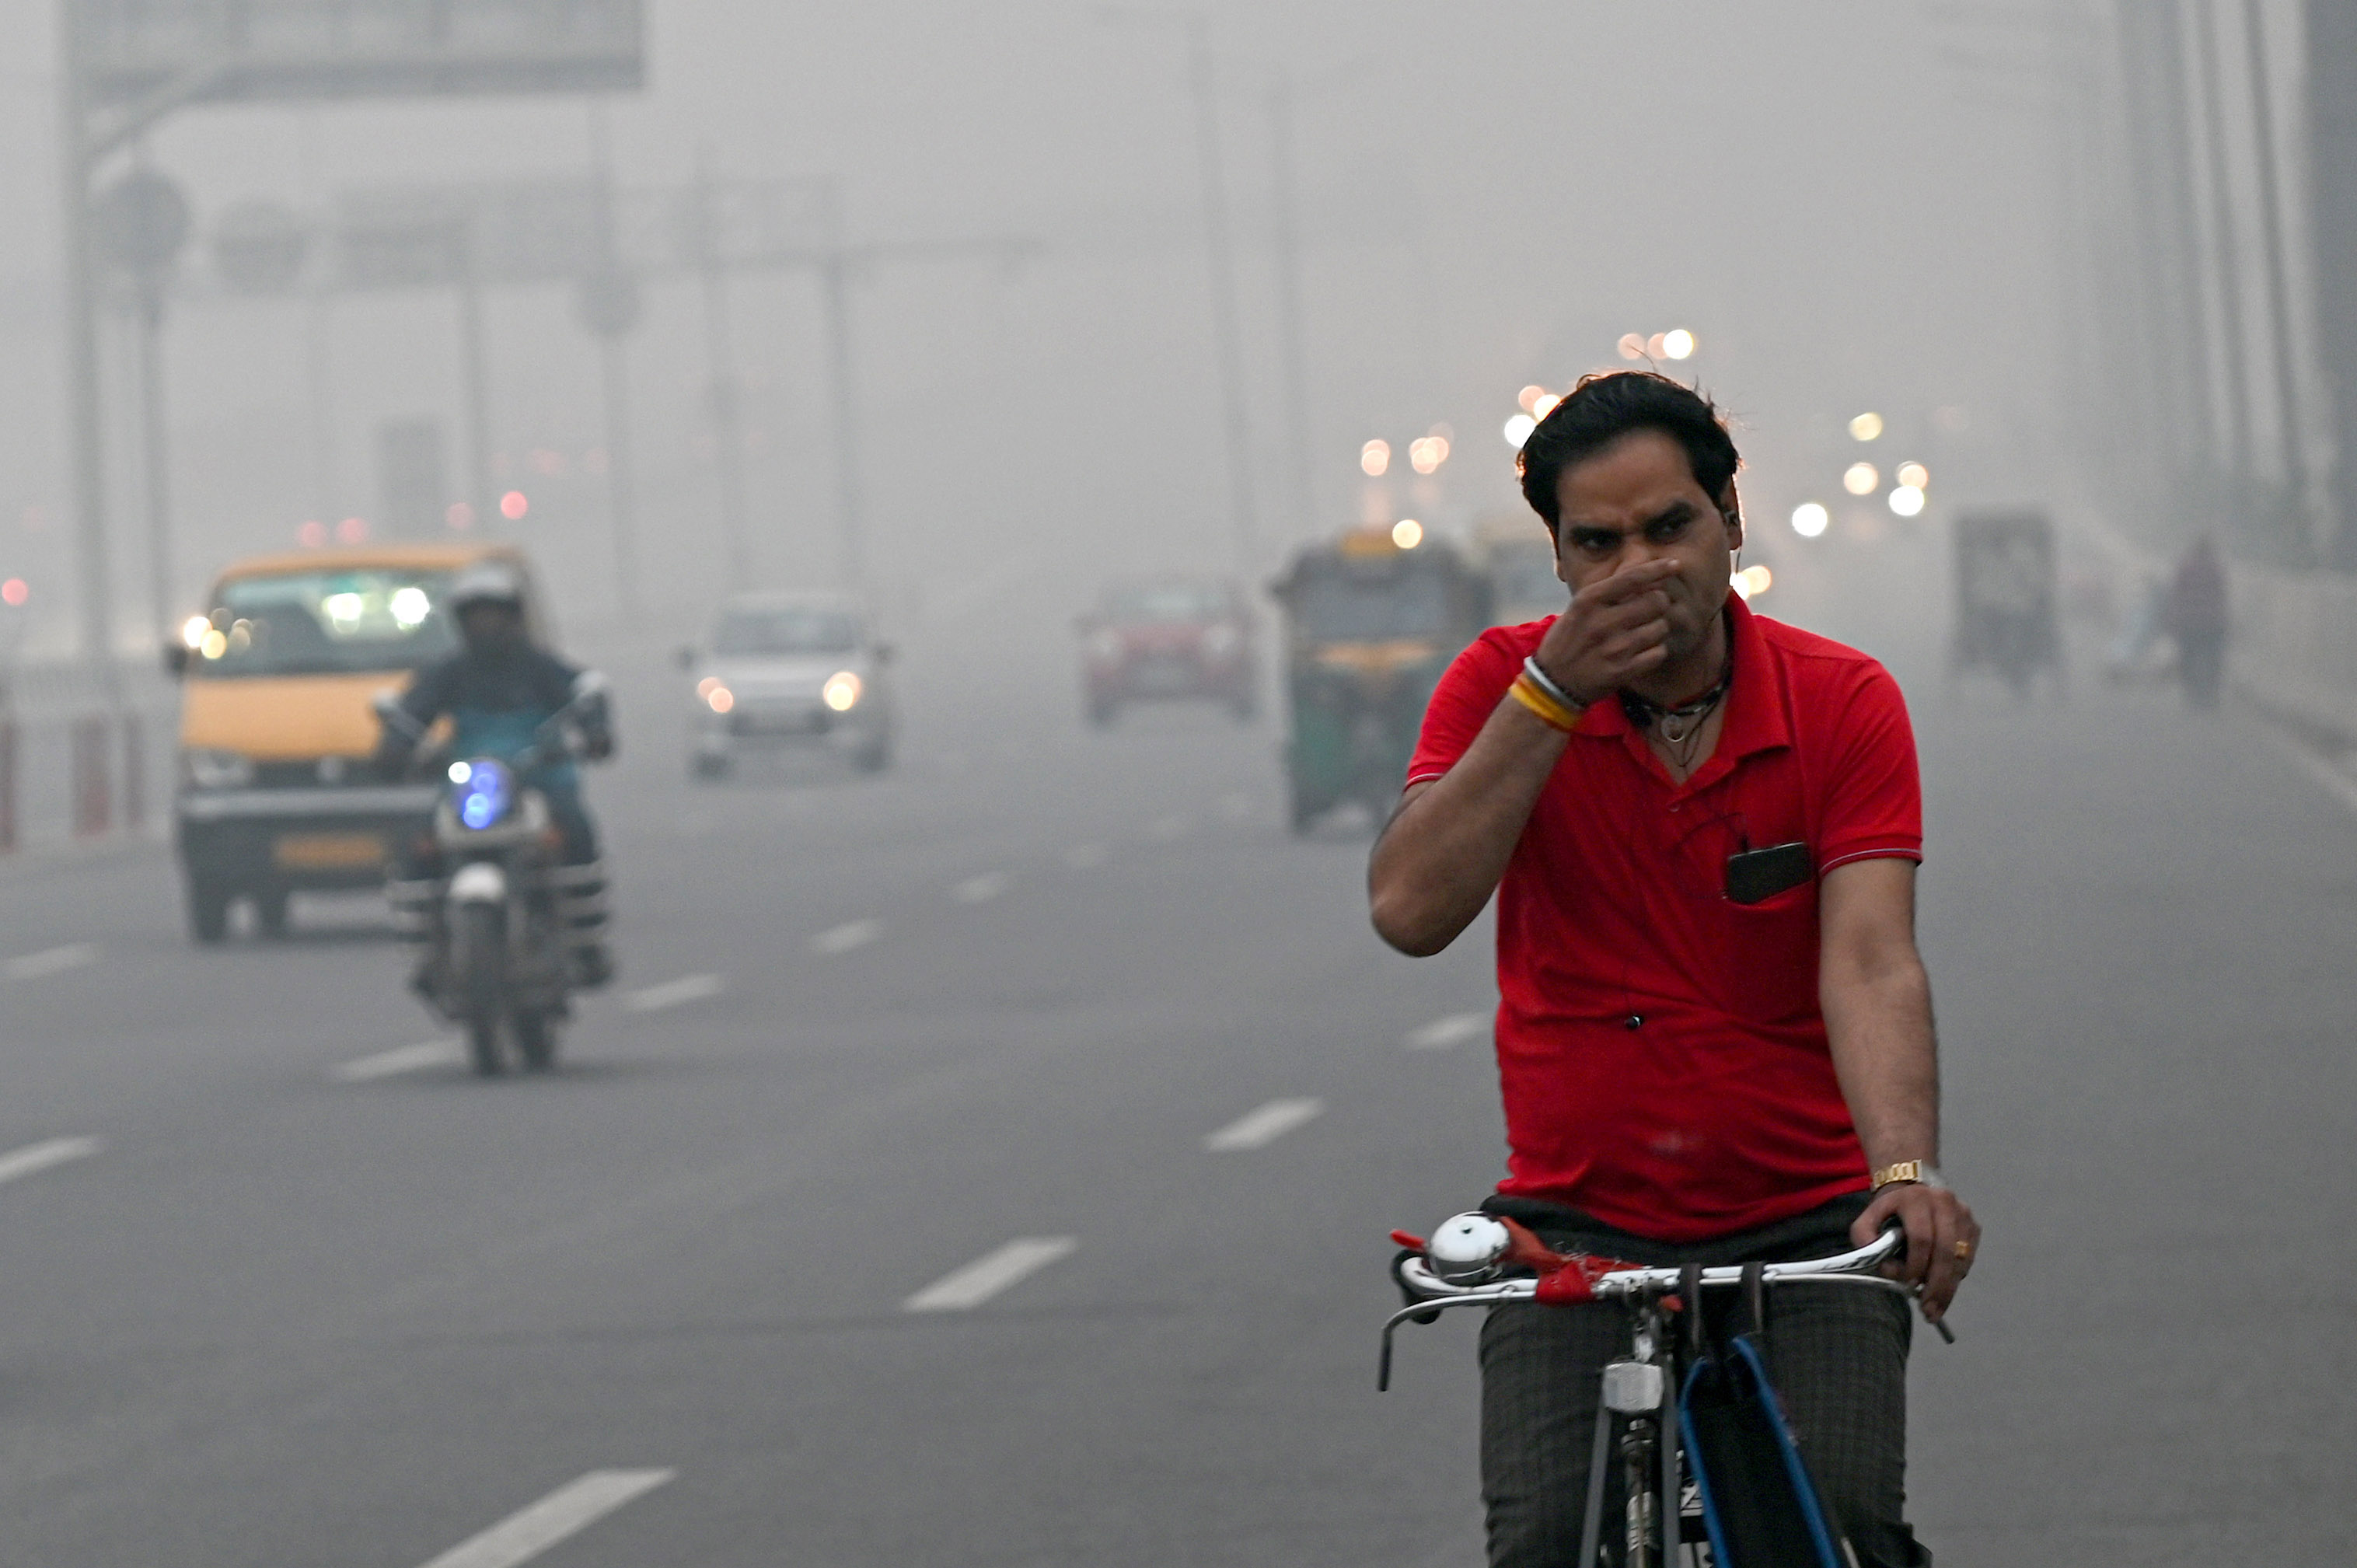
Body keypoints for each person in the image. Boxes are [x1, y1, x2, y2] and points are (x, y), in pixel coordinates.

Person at [1367, 372, 1978, 1568]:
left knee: (1843, 1524)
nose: (1638, 566)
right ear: (1556, 557)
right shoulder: (1504, 684)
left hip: (1809, 1220)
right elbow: (1409, 908)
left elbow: (1869, 961)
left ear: (1732, 520)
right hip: (1575, 1223)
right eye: (1598, 543)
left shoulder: (1844, 699)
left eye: (1669, 527)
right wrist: (1554, 695)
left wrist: (1906, 1169)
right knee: (1544, 1538)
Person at [378, 560, 616, 988]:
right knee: (418, 845)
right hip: (469, 787)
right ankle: (427, 955)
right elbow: (412, 710)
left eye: (495, 614)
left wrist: (594, 731)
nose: (486, 625)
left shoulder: (539, 667)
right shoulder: (450, 671)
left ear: (513, 617)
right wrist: (395, 746)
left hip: (539, 782)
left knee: (576, 832)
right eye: (476, 616)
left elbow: (583, 690)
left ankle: (586, 945)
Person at [2167, 535, 2229, 709]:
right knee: (2214, 659)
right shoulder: (2216, 569)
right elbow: (2221, 596)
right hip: (2212, 622)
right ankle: (2211, 694)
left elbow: (2176, 595)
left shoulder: (2185, 568)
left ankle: (2192, 694)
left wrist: (2174, 619)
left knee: (2187, 658)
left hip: (2189, 621)